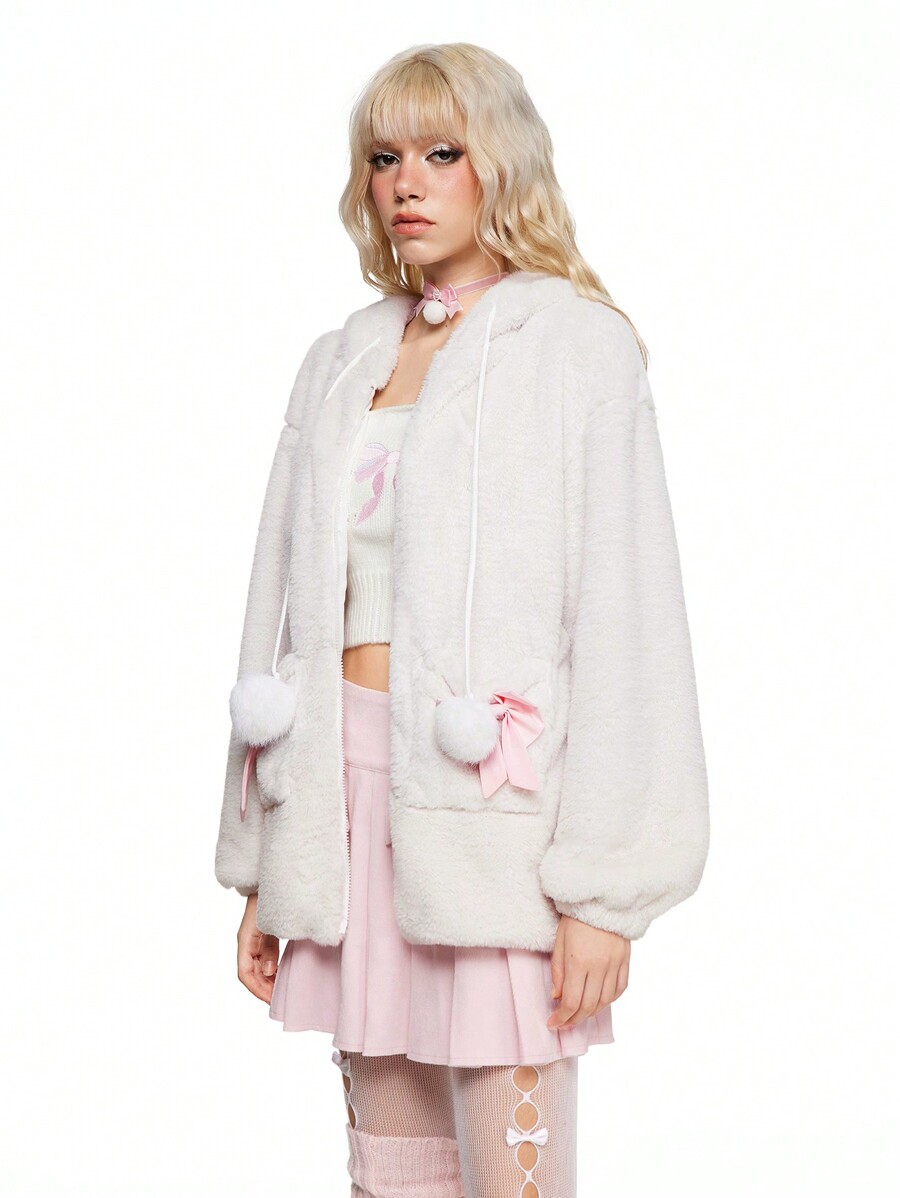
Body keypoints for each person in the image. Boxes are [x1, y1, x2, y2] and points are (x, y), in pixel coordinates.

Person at [214, 42, 710, 1198]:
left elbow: (630, 623)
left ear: (502, 163)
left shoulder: (575, 349)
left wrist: (605, 894)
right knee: (390, 1172)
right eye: (383, 157)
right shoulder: (342, 360)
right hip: (341, 807)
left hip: (495, 820)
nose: (407, 183)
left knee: (510, 1175)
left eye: (442, 152)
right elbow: (277, 620)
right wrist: (264, 865)